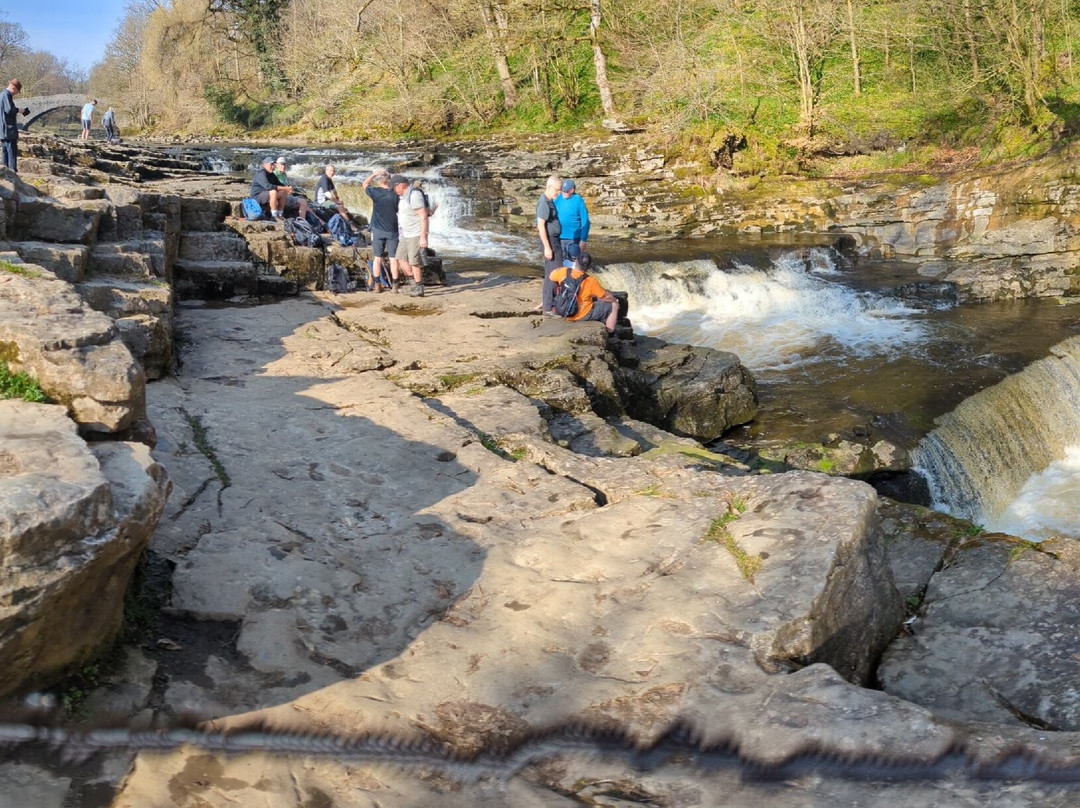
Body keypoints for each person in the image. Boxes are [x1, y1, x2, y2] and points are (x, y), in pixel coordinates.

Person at [547, 251, 619, 333]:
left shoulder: (564, 272)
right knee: (613, 305)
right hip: (582, 315)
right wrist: (614, 300)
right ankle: (610, 331)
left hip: (562, 310)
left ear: (576, 261)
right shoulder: (591, 281)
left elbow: (551, 276)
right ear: (588, 266)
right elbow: (605, 297)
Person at [362, 169, 401, 291]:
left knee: (377, 258)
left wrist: (373, 174)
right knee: (393, 258)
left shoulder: (375, 192)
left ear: (379, 181)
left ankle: (377, 284)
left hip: (378, 229)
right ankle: (395, 285)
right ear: (389, 181)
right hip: (392, 229)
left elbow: (365, 184)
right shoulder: (395, 194)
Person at [393, 174, 430, 297]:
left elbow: (423, 216)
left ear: (401, 185)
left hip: (415, 234)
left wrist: (423, 237)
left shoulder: (414, 195)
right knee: (400, 258)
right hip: (406, 234)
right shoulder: (403, 197)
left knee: (414, 262)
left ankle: (419, 288)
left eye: (394, 188)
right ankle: (413, 283)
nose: (393, 190)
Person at [250, 154, 308, 222]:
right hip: (257, 197)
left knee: (283, 192)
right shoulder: (262, 173)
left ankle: (280, 214)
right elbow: (268, 186)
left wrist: (287, 188)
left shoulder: (271, 174)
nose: (272, 167)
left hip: (266, 195)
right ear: (264, 165)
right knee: (273, 191)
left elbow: (279, 184)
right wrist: (283, 188)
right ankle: (274, 216)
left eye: (273, 165)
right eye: (270, 165)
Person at [537, 175, 563, 312]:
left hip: (554, 241)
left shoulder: (550, 200)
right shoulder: (544, 203)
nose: (559, 193)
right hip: (550, 242)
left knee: (550, 273)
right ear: (549, 187)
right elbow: (541, 226)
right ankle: (549, 306)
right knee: (555, 273)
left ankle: (547, 303)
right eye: (557, 190)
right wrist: (547, 247)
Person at [553, 179, 590, 263]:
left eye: (566, 191)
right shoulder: (558, 198)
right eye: (563, 190)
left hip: (574, 239)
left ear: (572, 190)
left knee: (574, 262)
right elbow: (548, 210)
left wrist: (583, 240)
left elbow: (585, 221)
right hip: (559, 238)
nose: (564, 193)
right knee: (560, 262)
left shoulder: (578, 200)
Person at [0, 78, 30, 173]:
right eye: (17, 91)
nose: (16, 94)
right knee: (11, 152)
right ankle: (12, 173)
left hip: (3, 130)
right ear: (13, 88)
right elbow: (9, 110)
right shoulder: (6, 95)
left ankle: (5, 173)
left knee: (5, 151)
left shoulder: (3, 94)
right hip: (8, 130)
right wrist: (20, 110)